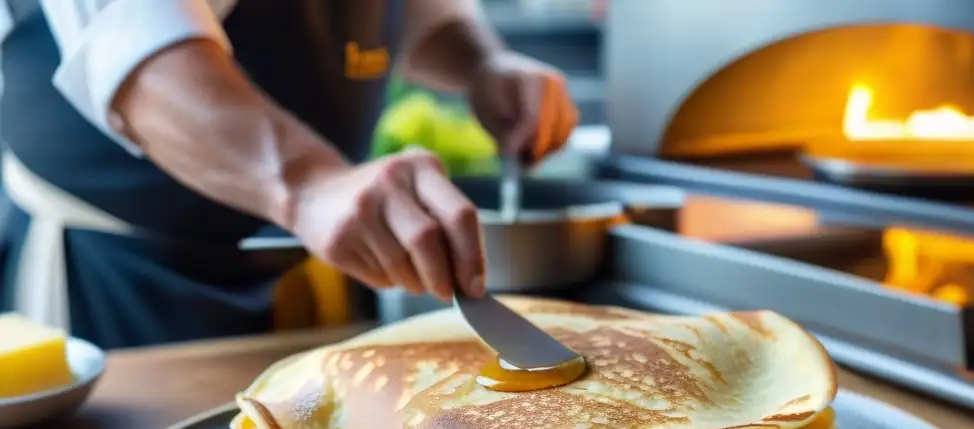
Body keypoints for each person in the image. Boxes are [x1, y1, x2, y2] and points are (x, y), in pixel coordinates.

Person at [0, 0, 579, 348]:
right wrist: (312, 185)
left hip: (298, 257)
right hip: (119, 277)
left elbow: (414, 13)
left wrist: (483, 63)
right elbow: (142, 54)